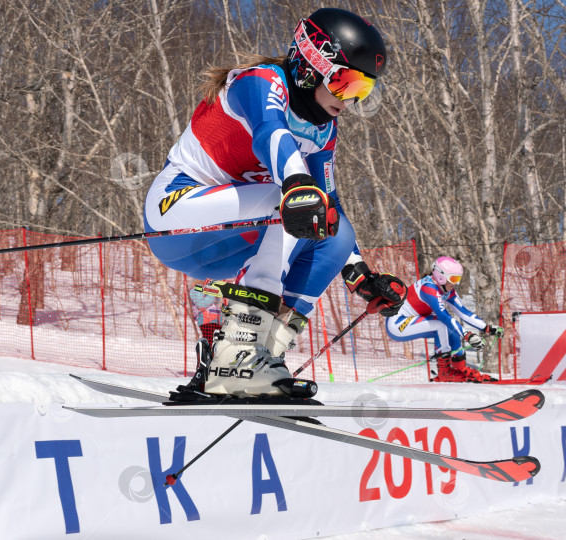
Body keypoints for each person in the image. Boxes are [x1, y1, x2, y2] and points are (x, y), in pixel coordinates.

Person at [142, 8, 407, 399]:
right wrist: (298, 184)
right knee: (289, 200)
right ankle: (238, 353)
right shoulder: (261, 82)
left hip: (233, 238)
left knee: (334, 231)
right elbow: (271, 133)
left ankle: (260, 355)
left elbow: (326, 202)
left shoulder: (323, 130)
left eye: (362, 91)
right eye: (346, 83)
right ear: (312, 65)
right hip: (176, 217)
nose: (350, 101)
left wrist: (361, 276)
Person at [385, 256, 504, 382]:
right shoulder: (429, 287)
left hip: (412, 319)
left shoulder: (445, 289)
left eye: (458, 279)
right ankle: (444, 371)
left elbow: (463, 312)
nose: (456, 283)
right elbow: (443, 315)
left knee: (450, 327)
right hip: (397, 324)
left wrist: (486, 328)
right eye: (453, 278)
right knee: (441, 323)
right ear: (441, 276)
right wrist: (467, 334)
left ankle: (460, 368)